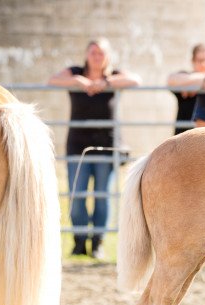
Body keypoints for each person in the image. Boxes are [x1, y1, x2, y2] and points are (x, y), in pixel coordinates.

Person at [48, 37, 141, 258]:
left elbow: (136, 80)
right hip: (77, 146)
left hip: (106, 146)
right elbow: (52, 80)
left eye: (101, 53)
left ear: (107, 56)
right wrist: (78, 82)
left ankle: (97, 243)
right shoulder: (74, 72)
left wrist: (106, 83)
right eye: (93, 52)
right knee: (77, 195)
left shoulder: (114, 75)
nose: (97, 56)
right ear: (86, 54)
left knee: (102, 196)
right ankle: (79, 241)